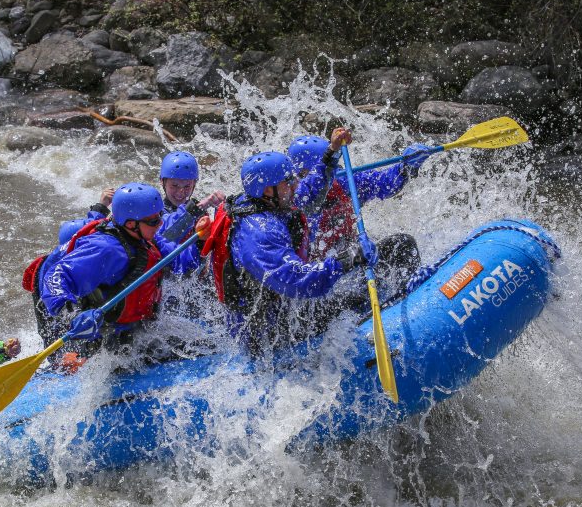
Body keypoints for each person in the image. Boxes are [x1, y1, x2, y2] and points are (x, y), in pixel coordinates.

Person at [201, 134, 376, 353]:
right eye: (289, 181)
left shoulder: (274, 200)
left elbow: (309, 193)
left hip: (283, 309)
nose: (295, 184)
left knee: (397, 246)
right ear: (268, 190)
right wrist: (345, 261)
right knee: (356, 297)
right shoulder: (259, 233)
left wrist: (330, 154)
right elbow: (296, 281)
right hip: (264, 332)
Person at [37, 182, 211, 360]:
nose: (160, 223)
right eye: (153, 221)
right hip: (105, 340)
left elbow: (183, 264)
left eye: (160, 216)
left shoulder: (149, 238)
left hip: (139, 329)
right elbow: (55, 277)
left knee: (205, 349)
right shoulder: (105, 249)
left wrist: (200, 240)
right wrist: (72, 315)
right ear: (130, 224)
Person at [287, 135, 434, 293]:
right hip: (322, 279)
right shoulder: (294, 206)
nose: (333, 173)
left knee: (404, 244)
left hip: (355, 258)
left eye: (334, 166)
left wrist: (405, 168)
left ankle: (410, 295)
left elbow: (383, 183)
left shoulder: (344, 182)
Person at [23, 187, 114, 351]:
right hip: (56, 325)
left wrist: (102, 205)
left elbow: (92, 225)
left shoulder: (83, 253)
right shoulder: (52, 278)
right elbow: (51, 326)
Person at [156, 150, 225, 275]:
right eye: (174, 186)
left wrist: (223, 211)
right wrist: (201, 206)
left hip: (194, 275)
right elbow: (169, 235)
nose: (180, 192)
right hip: (168, 276)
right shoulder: (154, 213)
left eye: (187, 186)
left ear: (194, 184)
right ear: (162, 181)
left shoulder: (200, 214)